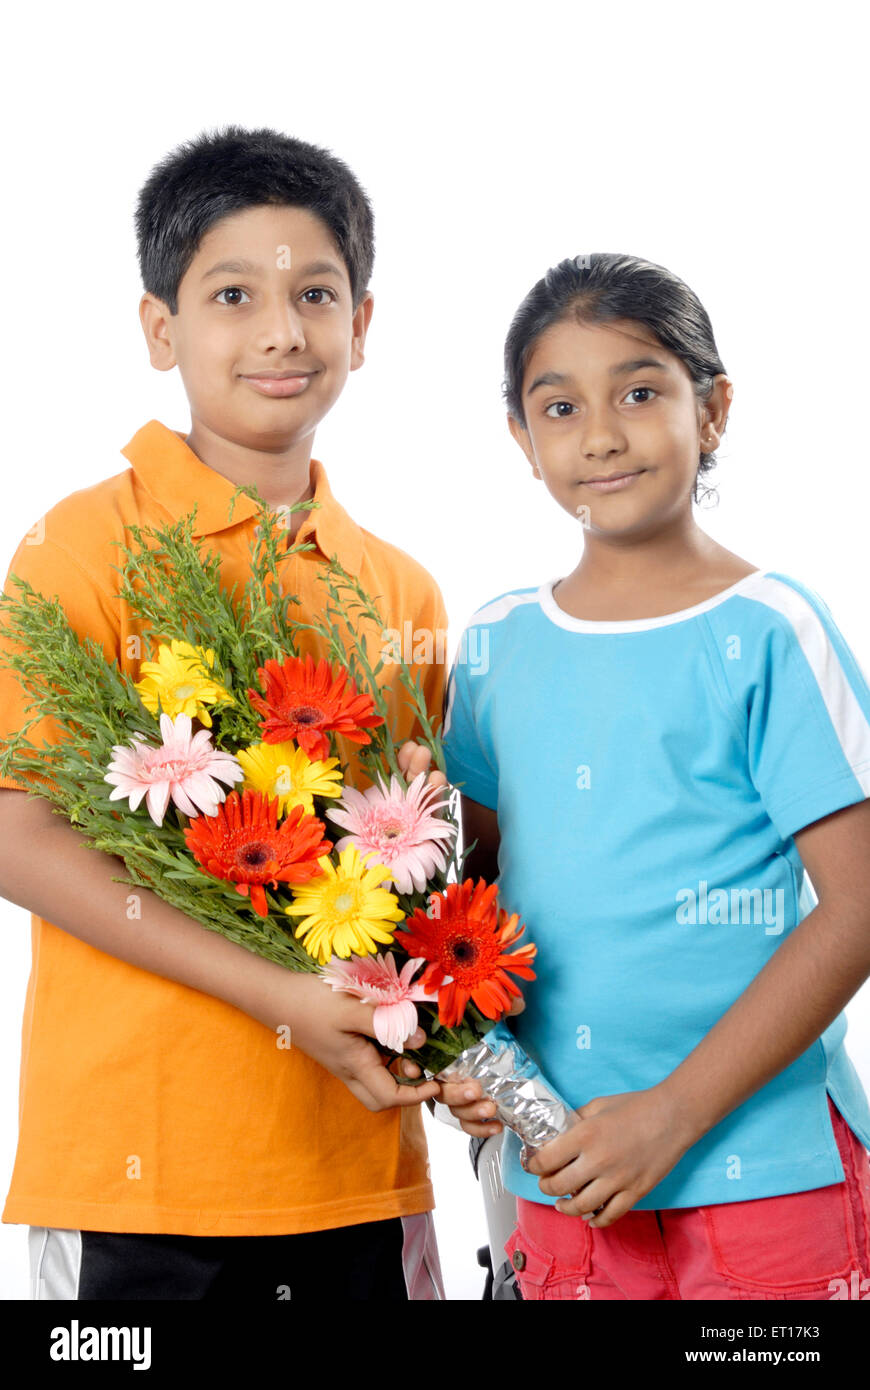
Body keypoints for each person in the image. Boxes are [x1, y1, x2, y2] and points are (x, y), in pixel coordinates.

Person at [0, 125, 449, 1301]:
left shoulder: (398, 589)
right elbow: (17, 830)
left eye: (315, 292)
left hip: (354, 1162)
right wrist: (278, 993)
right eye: (233, 293)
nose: (281, 331)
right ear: (162, 329)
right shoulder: (81, 547)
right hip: (136, 1171)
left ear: (364, 323)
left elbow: (429, 872)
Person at [435, 251, 870, 1300]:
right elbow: (461, 914)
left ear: (712, 409)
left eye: (640, 390)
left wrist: (673, 1111)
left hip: (766, 1175)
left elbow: (858, 904)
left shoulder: (772, 629)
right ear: (521, 439)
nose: (601, 434)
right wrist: (464, 1064)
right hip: (564, 1176)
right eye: (560, 404)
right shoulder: (496, 643)